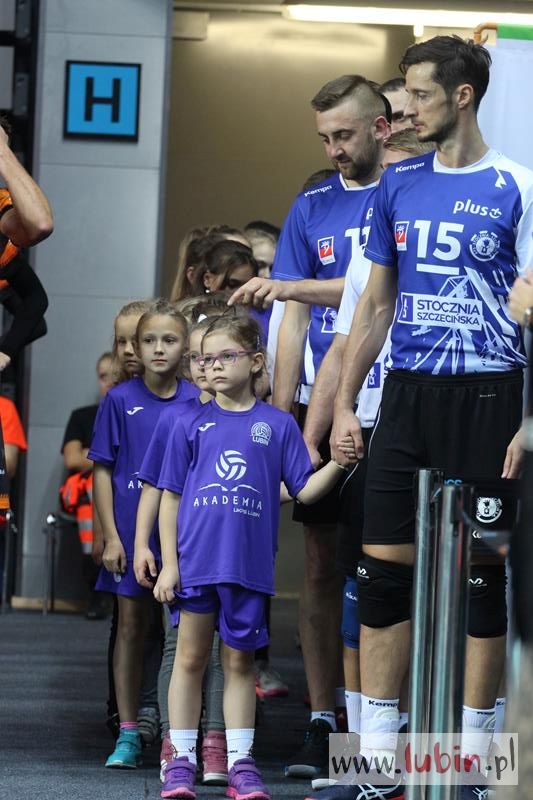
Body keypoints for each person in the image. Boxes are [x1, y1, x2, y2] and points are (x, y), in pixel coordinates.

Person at [330, 35, 533, 800]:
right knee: (381, 576)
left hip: (489, 398)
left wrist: (527, 420)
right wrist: (346, 402)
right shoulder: (397, 183)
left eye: (418, 94)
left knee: (483, 578)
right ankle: (377, 767)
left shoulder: (518, 185)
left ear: (460, 96)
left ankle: (474, 766)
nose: (404, 109)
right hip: (407, 396)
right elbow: (374, 305)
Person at [232, 75, 388, 780]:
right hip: (319, 407)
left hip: (390, 400)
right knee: (321, 564)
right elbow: (291, 316)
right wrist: (287, 416)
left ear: (380, 126)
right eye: (324, 138)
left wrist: (292, 287)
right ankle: (326, 719)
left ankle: (382, 726)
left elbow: (371, 290)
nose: (333, 150)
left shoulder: (404, 191)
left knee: (382, 564)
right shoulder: (312, 204)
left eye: (344, 135)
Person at [152, 312, 355, 800]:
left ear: (257, 360)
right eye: (206, 359)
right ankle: (180, 760)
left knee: (240, 664)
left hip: (248, 569)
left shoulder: (277, 425)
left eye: (227, 356)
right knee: (189, 659)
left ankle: (241, 763)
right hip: (196, 565)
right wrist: (170, 564)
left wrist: (339, 464)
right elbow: (170, 497)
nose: (214, 366)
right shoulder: (186, 421)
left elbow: (303, 491)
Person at [303, 130, 436, 800]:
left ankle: (448, 764)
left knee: (461, 596)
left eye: (404, 171)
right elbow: (341, 345)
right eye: (386, 174)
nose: (392, 186)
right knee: (367, 589)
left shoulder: (471, 231)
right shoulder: (370, 252)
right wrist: (325, 425)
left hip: (454, 421)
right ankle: (363, 762)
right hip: (374, 431)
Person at [89, 299, 199, 769]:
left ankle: (180, 736)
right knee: (131, 629)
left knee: (182, 636)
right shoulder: (118, 399)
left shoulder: (198, 399)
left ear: (186, 346)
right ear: (134, 346)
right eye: (148, 340)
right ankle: (129, 731)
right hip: (130, 534)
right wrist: (112, 536)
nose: (157, 349)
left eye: (168, 340)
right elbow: (102, 470)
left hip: (183, 537)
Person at [61, 352, 113, 620]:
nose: (109, 382)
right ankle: (96, 587)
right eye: (103, 377)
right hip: (85, 493)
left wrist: (91, 453)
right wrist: (109, 455)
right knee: (94, 487)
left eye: (114, 376)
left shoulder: (130, 413)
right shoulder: (82, 416)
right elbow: (72, 459)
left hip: (125, 486)